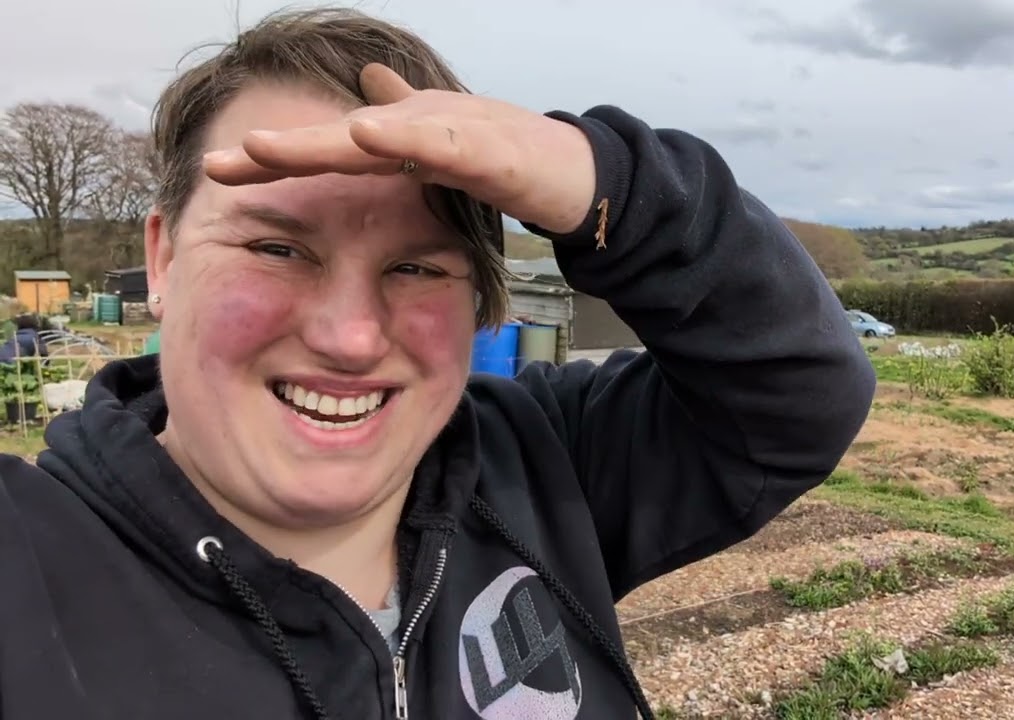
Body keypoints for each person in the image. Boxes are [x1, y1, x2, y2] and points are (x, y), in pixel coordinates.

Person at [0, 8, 874, 720]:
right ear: (162, 259)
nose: (349, 337)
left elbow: (800, 389)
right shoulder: (33, 567)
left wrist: (603, 177)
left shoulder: (543, 464)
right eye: (275, 247)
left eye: (416, 266)